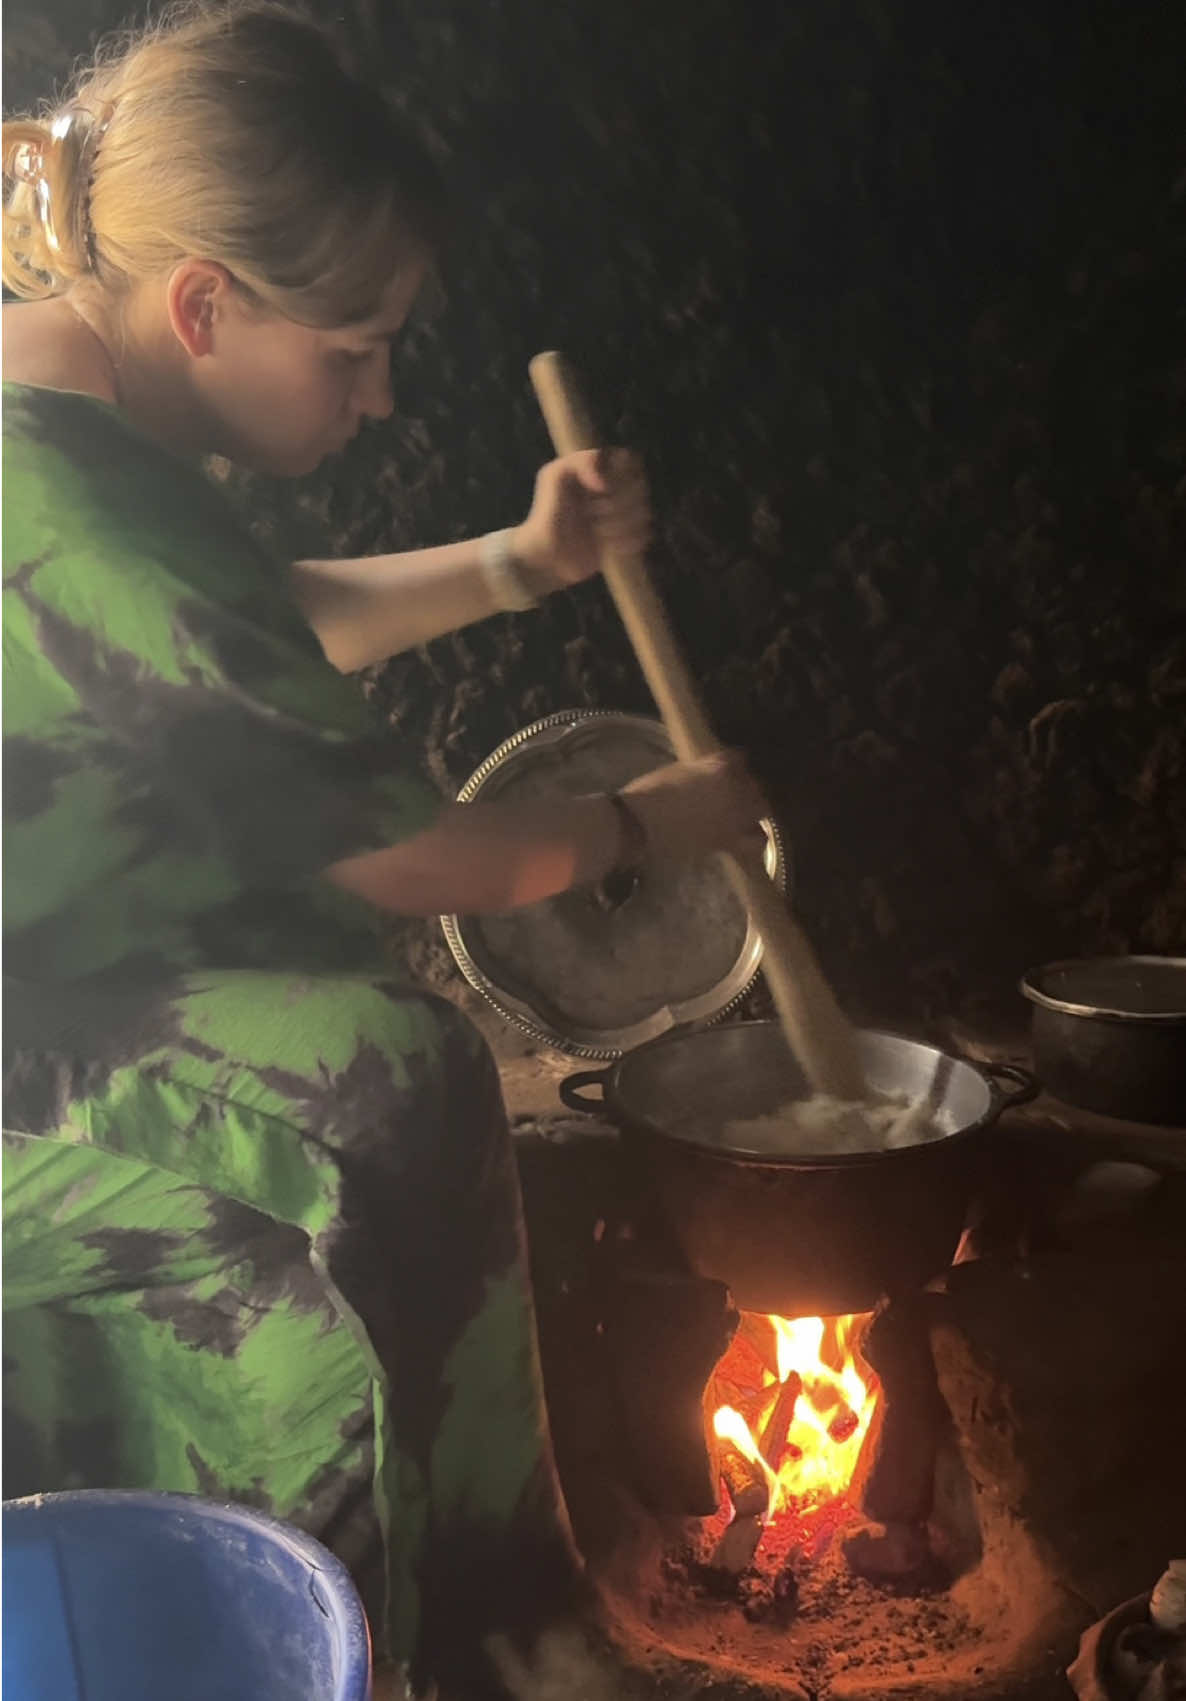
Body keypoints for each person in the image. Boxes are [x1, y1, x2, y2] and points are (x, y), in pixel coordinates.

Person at [1, 4, 767, 1694]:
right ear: (203, 303)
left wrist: (521, 556)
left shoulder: (61, 384)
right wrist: (651, 821)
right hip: (16, 1044)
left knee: (388, 1050)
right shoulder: (58, 501)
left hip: (58, 963)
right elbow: (420, 863)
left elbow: (243, 630)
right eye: (351, 350)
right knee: (348, 1178)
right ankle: (378, 1634)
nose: (380, 391)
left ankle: (482, 1607)